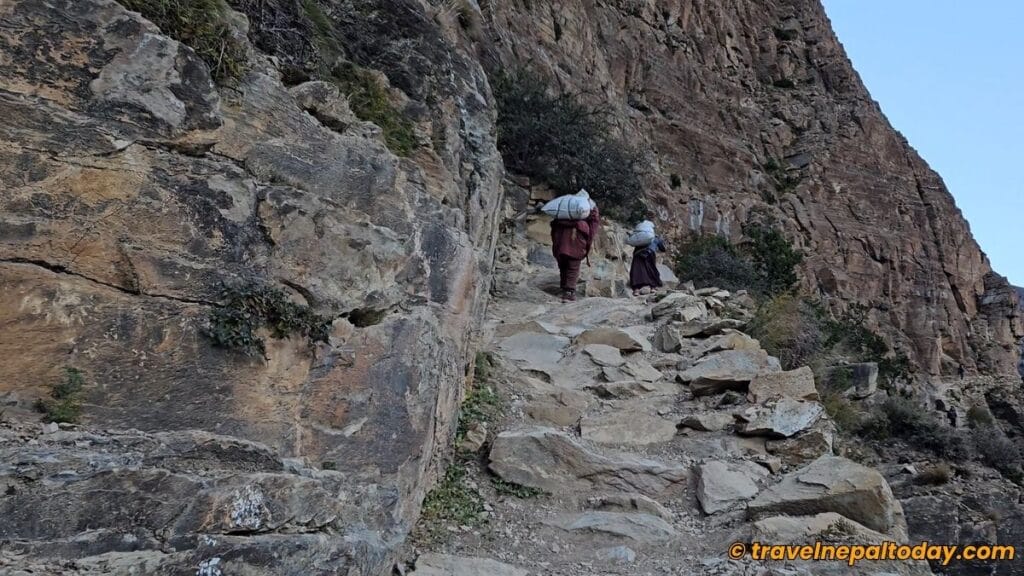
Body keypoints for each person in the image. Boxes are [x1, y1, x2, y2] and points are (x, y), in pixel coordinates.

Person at [550, 201, 600, 302]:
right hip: (576, 245)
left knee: (563, 266)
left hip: (561, 245)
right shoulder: (583, 221)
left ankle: (564, 287)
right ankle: (569, 292)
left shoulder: (562, 218)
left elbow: (554, 230)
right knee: (573, 268)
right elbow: (593, 226)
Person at [629, 224, 667, 297]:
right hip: (650, 253)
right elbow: (663, 248)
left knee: (637, 270)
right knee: (651, 269)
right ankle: (652, 287)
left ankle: (636, 289)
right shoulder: (656, 238)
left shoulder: (640, 236)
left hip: (638, 254)